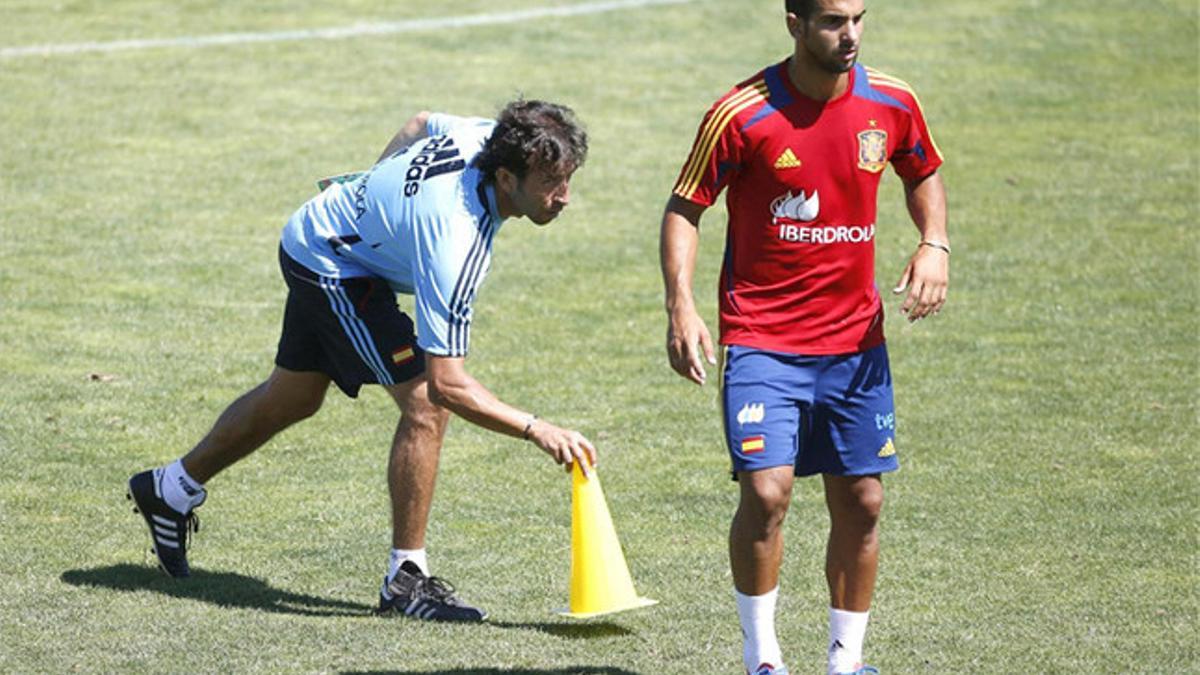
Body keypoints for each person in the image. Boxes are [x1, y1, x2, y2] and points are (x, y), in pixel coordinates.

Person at [128, 99, 597, 623]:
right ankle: (405, 582)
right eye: (552, 183)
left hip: (320, 236)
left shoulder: (485, 137)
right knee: (424, 405)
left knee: (295, 397)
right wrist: (536, 428)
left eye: (568, 180)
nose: (565, 198)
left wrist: (371, 191)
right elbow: (449, 386)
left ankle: (169, 489)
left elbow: (420, 122)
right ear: (506, 178)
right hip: (335, 266)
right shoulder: (455, 241)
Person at [659, 0, 948, 672]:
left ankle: (845, 663)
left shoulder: (893, 102)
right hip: (763, 337)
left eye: (858, 18)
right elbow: (686, 207)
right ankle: (762, 659)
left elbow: (922, 169)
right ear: (793, 22)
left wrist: (934, 241)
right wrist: (681, 304)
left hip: (856, 345)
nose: (849, 35)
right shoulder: (743, 113)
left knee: (864, 499)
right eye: (831, 22)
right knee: (766, 493)